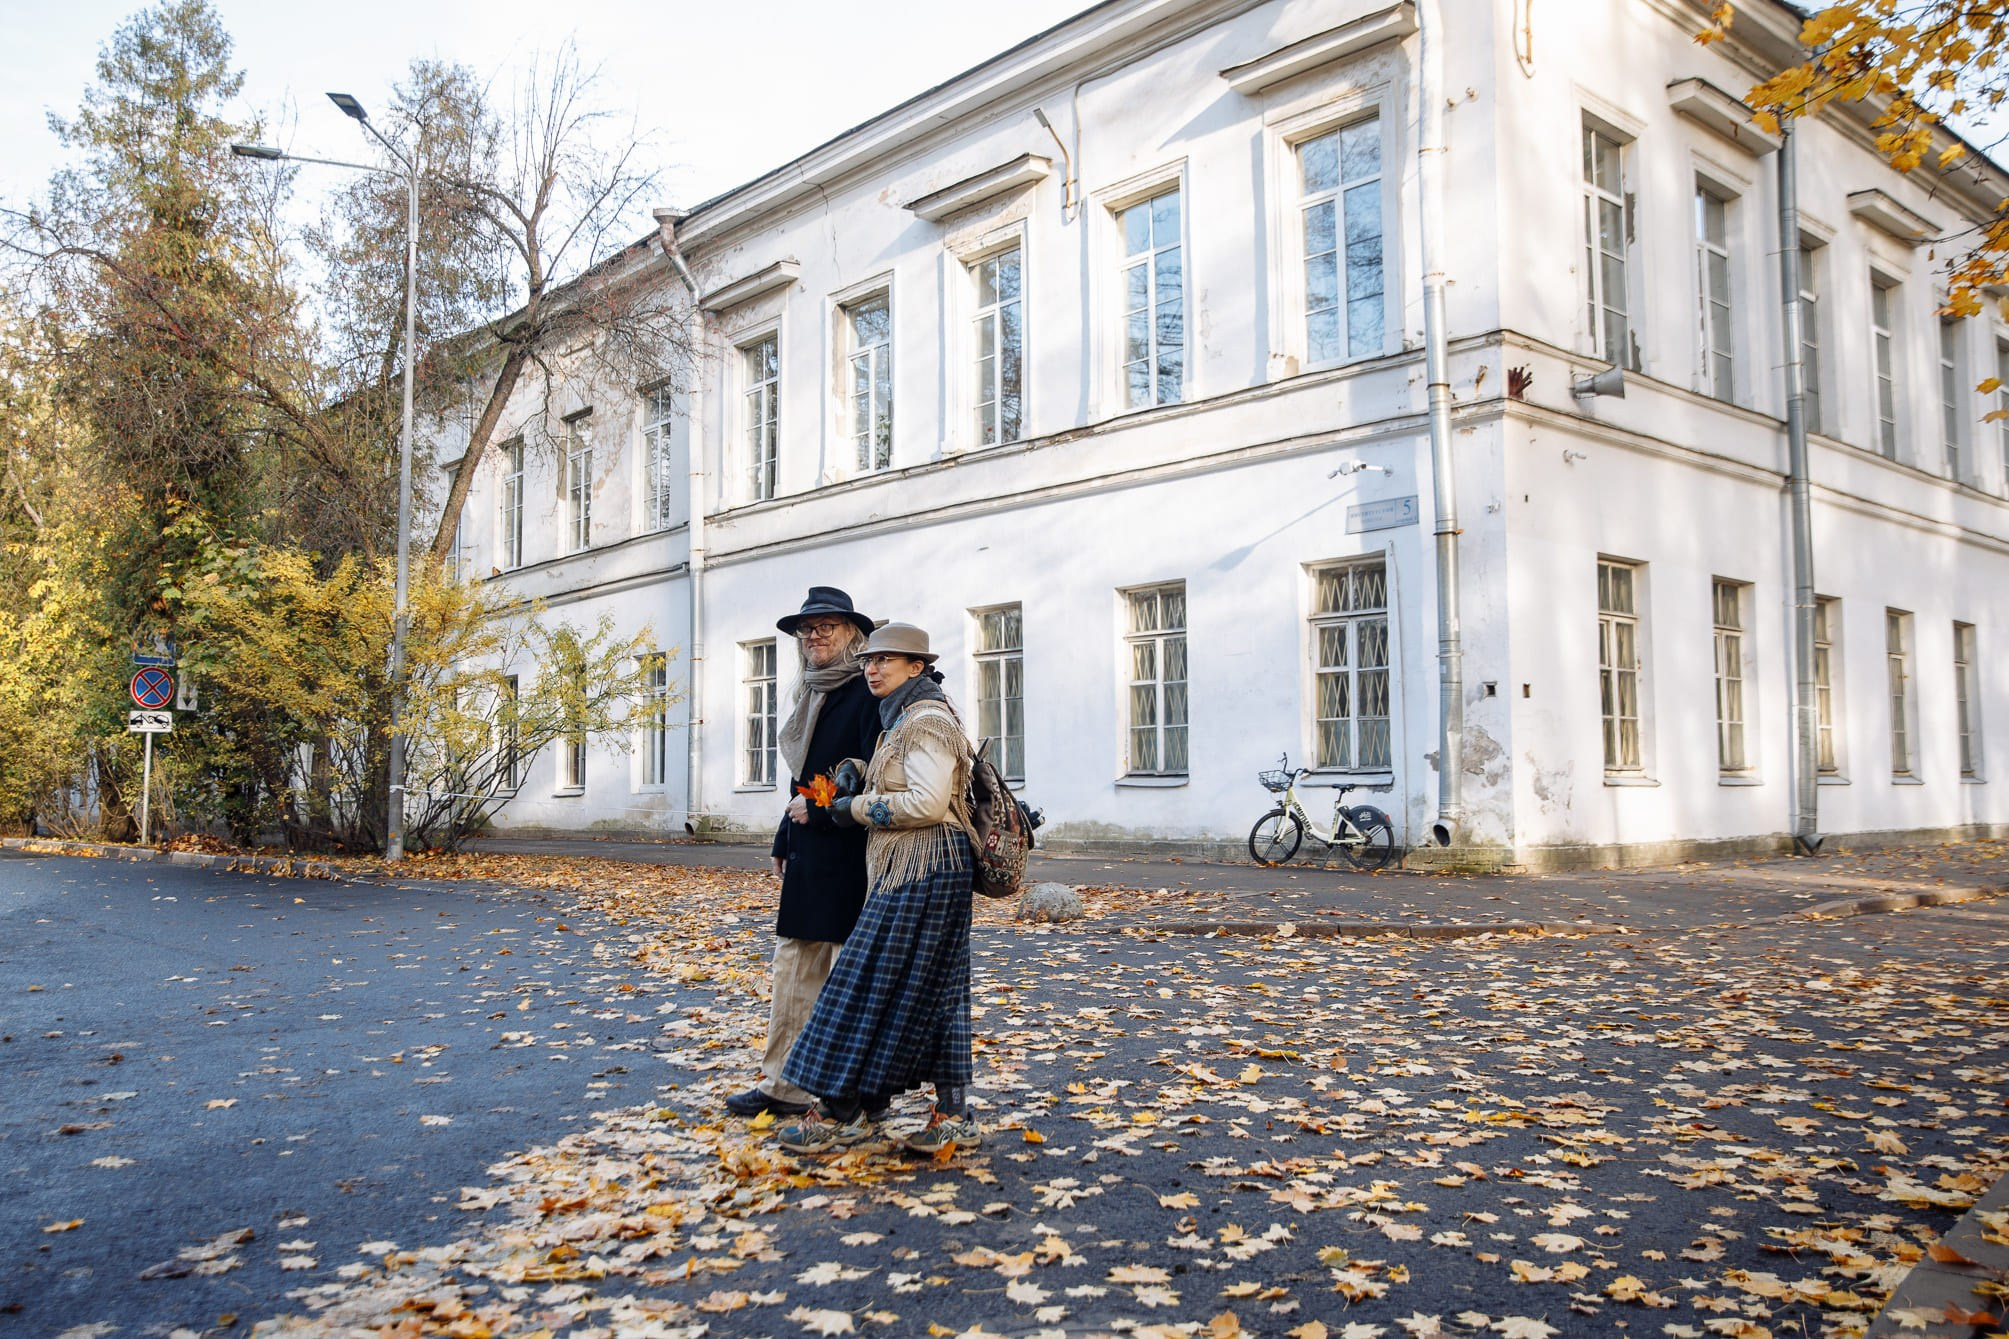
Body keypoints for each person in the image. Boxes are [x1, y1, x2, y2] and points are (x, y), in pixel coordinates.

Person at [775, 622, 981, 1156]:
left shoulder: (927, 720)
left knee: (861, 983)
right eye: (868, 659)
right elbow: (902, 779)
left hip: (925, 866)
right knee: (934, 992)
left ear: (917, 667)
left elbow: (927, 803)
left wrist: (853, 807)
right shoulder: (902, 716)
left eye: (885, 660)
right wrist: (857, 769)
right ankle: (951, 1116)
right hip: (917, 868)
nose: (872, 668)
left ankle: (842, 1112)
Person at [723, 587, 882, 1119]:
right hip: (810, 852)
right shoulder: (812, 693)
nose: (814, 636)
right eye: (807, 629)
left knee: (842, 975)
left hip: (851, 854)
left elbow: (875, 775)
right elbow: (804, 778)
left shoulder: (866, 691)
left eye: (826, 626)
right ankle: (783, 1086)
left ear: (852, 635)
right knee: (793, 970)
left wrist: (817, 811)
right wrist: (784, 836)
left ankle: (849, 1093)